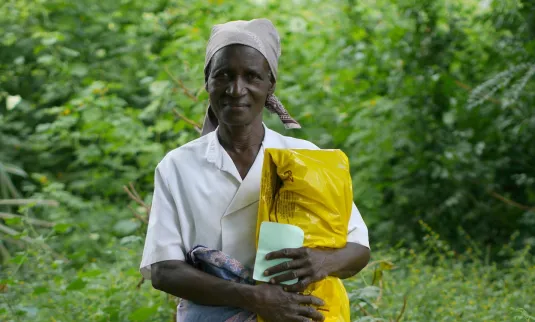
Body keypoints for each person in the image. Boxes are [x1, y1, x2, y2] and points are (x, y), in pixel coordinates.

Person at [139, 18, 371, 322]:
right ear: (207, 80)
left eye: (251, 76)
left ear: (270, 84)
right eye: (223, 75)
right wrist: (254, 298)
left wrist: (321, 262)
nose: (237, 89)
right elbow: (164, 270)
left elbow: (358, 248)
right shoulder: (178, 167)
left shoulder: (305, 158)